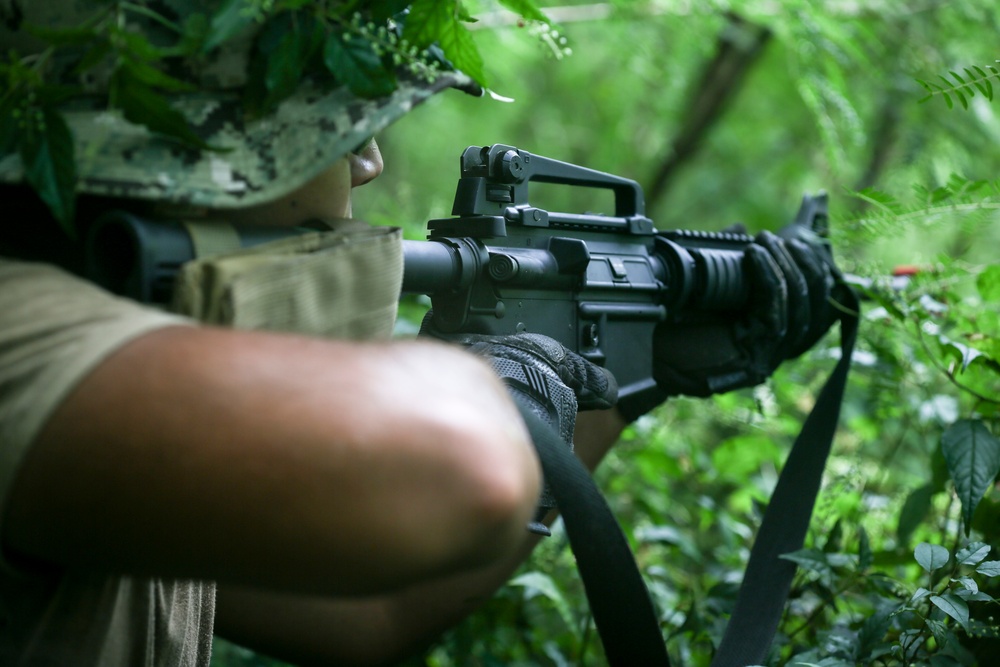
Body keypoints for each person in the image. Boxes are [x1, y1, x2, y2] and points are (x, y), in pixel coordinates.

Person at [0, 2, 842, 666]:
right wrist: (500, 382)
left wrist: (627, 371)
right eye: (318, 121)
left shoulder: (125, 418)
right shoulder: (21, 330)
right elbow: (460, 466)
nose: (366, 160)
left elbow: (368, 614)